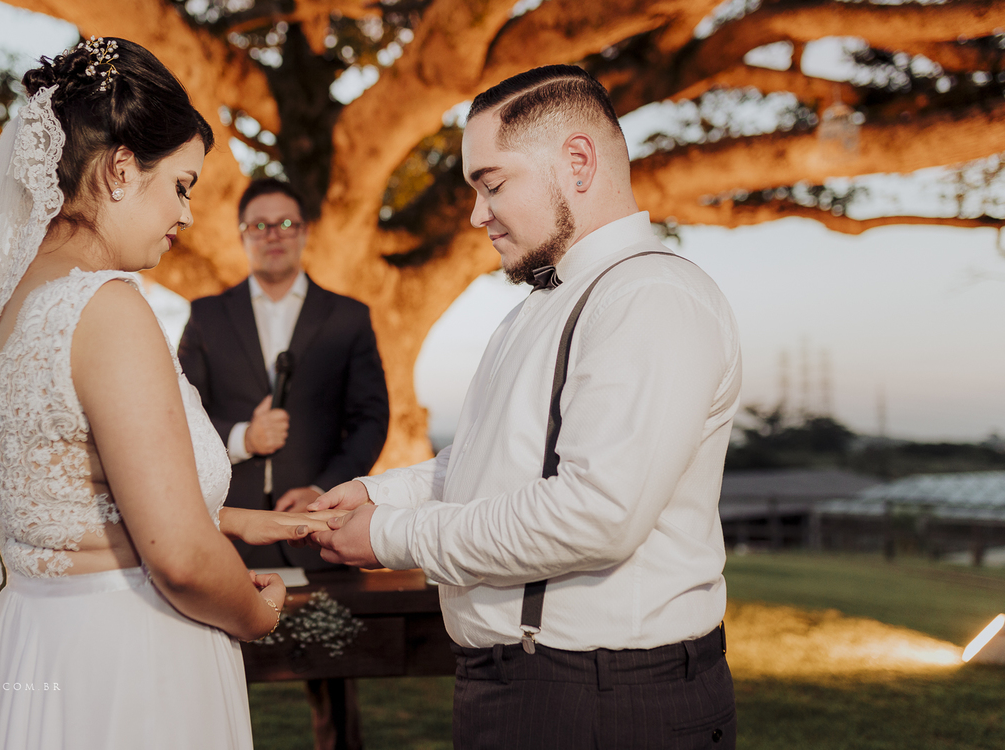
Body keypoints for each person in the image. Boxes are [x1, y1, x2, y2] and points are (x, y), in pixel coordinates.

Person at [0, 39, 339, 750]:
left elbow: (63, 498)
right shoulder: (107, 308)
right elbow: (177, 557)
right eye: (180, 184)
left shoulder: (10, 309)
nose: (184, 214)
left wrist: (231, 520)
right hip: (128, 664)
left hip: (37, 641)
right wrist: (258, 613)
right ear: (120, 170)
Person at [308, 65, 742, 749]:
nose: (478, 213)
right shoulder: (542, 307)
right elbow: (487, 462)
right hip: (525, 690)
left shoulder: (649, 297)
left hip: (604, 702)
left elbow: (597, 514)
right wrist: (370, 493)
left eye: (493, 183)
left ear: (577, 162)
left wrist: (393, 536)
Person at [178, 178, 389, 750]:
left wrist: (325, 486)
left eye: (286, 224)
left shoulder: (347, 317)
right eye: (260, 225)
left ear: (305, 233)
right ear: (243, 235)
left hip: (316, 532)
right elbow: (174, 416)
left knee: (335, 690)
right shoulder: (207, 316)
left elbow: (371, 418)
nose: (274, 236)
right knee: (213, 681)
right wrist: (245, 436)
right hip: (225, 532)